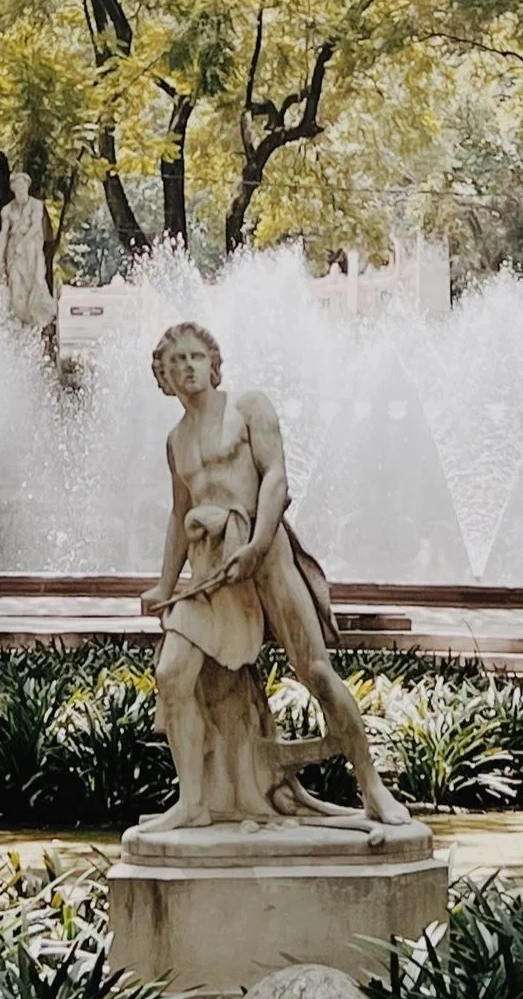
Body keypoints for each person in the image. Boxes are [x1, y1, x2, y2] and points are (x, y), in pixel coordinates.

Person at [140, 319, 410, 829]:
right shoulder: (176, 441)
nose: (188, 367)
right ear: (164, 377)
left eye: (196, 356)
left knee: (316, 672)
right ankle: (193, 801)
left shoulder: (248, 407)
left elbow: (276, 478)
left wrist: (259, 543)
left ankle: (372, 787)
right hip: (211, 572)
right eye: (176, 362)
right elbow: (179, 515)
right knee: (171, 674)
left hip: (266, 557)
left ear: (214, 364)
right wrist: (164, 583)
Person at [0, 171, 57, 341]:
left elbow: (36, 227)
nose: (20, 190)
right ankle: (19, 324)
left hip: (31, 252)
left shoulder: (37, 205)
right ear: (13, 189)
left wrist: (23, 243)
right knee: (15, 285)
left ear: (27, 187)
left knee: (37, 283)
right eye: (17, 187)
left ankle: (36, 322)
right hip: (15, 253)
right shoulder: (7, 210)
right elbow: (3, 235)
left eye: (23, 186)